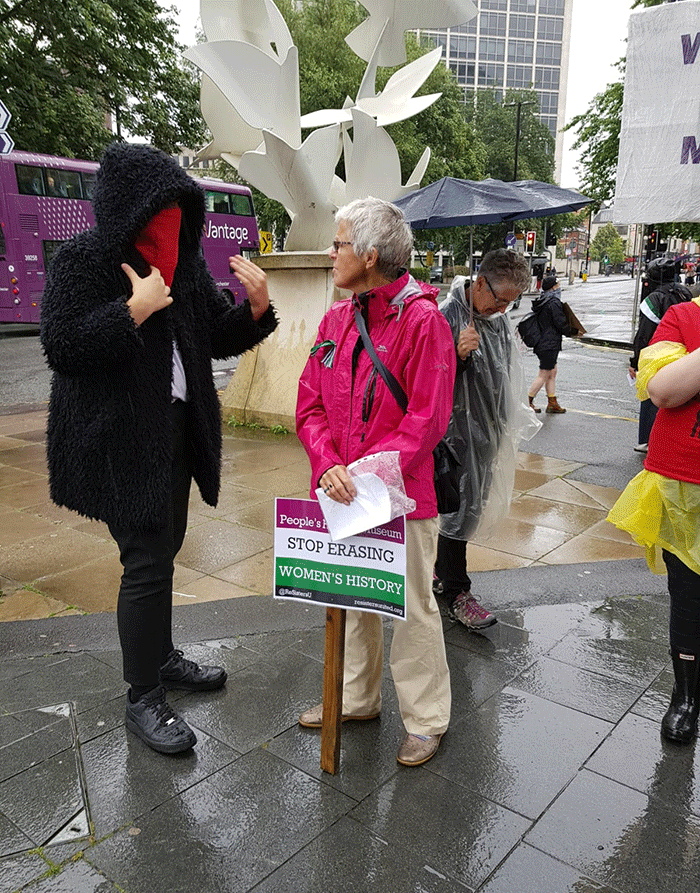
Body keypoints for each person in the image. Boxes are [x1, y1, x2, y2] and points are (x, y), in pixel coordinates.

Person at [40, 142, 278, 755]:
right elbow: (63, 347)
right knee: (145, 561)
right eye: (158, 210)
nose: (169, 223)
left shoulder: (186, 265)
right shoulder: (84, 261)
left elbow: (215, 339)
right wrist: (133, 311)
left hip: (173, 431)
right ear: (129, 210)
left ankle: (162, 656)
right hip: (116, 439)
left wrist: (255, 310)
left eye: (179, 208)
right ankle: (142, 695)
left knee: (165, 547)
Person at [296, 197, 456, 767]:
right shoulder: (337, 318)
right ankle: (354, 697)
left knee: (412, 609)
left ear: (368, 255)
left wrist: (362, 474)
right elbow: (310, 402)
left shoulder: (423, 321)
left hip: (403, 500)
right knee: (351, 598)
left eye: (338, 244)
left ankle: (427, 718)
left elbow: (427, 421)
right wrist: (326, 465)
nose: (331, 253)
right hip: (344, 494)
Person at [608, 298, 700, 744]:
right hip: (684, 486)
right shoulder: (684, 317)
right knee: (687, 597)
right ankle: (685, 698)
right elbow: (661, 390)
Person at [433, 250, 536, 630]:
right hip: (453, 438)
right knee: (456, 511)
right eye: (500, 298)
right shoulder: (447, 316)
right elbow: (426, 379)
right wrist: (455, 355)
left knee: (467, 510)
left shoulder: (495, 318)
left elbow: (503, 376)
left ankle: (440, 572)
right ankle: (457, 592)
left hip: (486, 433)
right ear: (480, 283)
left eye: (512, 302)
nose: (504, 307)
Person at [628, 257, 691, 453]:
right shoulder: (685, 293)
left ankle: (647, 440)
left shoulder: (653, 299)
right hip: (683, 353)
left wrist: (636, 361)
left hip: (658, 355)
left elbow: (644, 333)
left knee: (651, 395)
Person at [527, 273, 578, 414]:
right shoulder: (554, 303)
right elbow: (560, 323)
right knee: (544, 374)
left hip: (543, 342)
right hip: (549, 343)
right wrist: (572, 331)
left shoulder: (543, 300)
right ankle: (527, 402)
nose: (559, 288)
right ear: (553, 287)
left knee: (552, 371)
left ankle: (552, 402)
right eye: (558, 285)